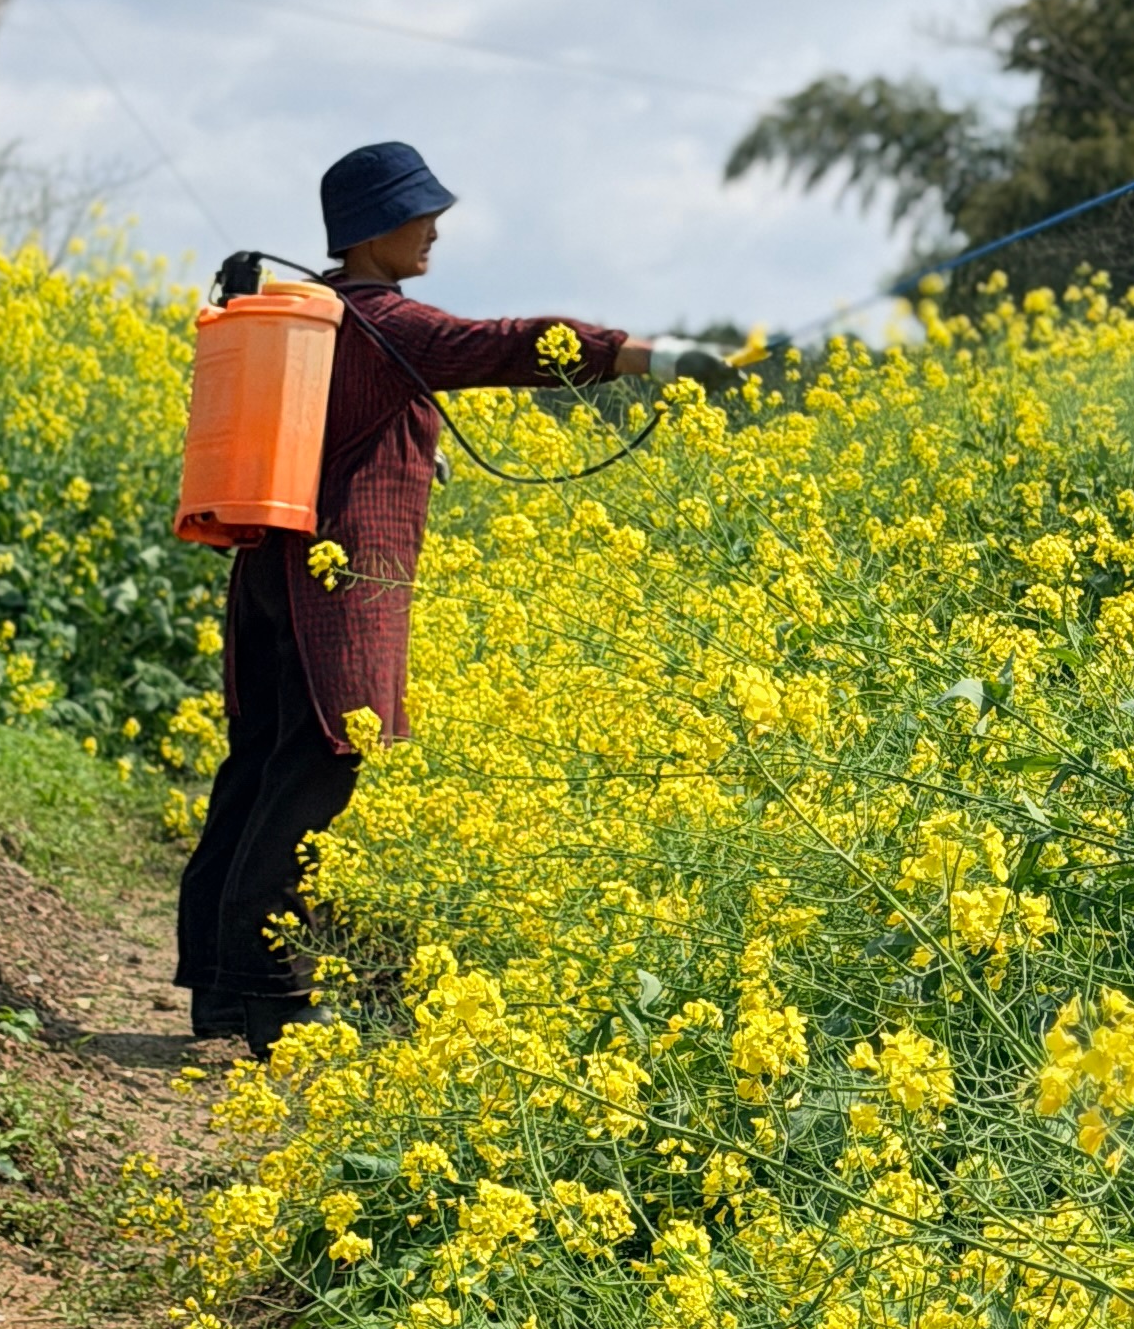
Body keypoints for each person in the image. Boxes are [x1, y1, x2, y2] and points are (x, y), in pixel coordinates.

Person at [176, 137, 730, 1054]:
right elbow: (505, 345)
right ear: (375, 230)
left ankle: (218, 990)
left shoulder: (307, 317)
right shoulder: (387, 323)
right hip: (335, 589)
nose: (434, 230)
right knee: (318, 769)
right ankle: (270, 995)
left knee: (257, 769)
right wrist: (652, 357)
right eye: (419, 215)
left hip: (268, 573)